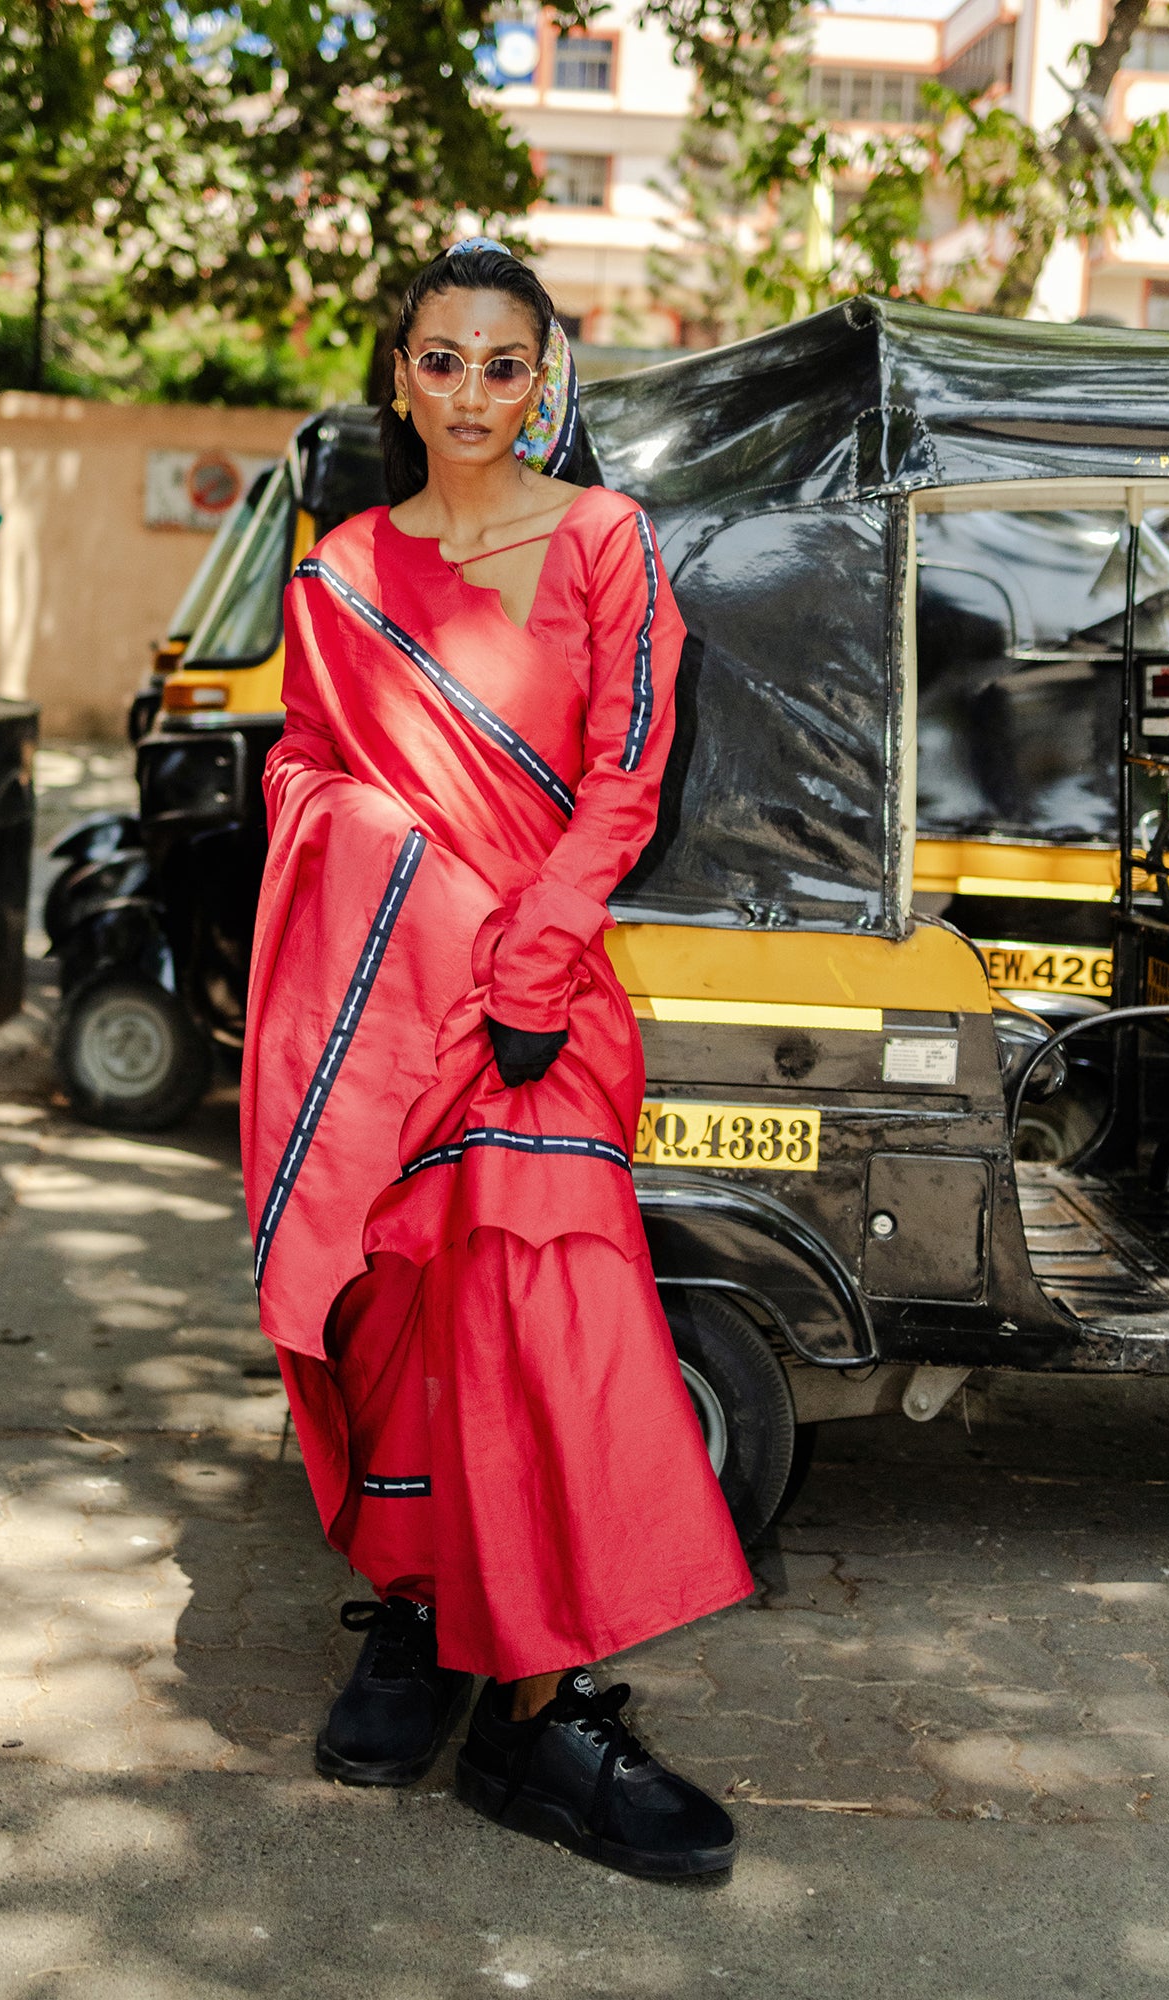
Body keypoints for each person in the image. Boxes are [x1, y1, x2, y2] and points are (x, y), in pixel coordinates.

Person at [240, 240, 754, 1881]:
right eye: (440, 361)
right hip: (387, 1002)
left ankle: (540, 1713)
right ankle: (417, 1617)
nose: (470, 392)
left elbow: (625, 773)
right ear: (399, 376)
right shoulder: (336, 574)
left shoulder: (605, 541)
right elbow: (308, 764)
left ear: (548, 382)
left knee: (544, 1316)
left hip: (536, 1006)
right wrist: (373, 857)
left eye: (503, 363)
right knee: (398, 1315)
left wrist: (525, 954)